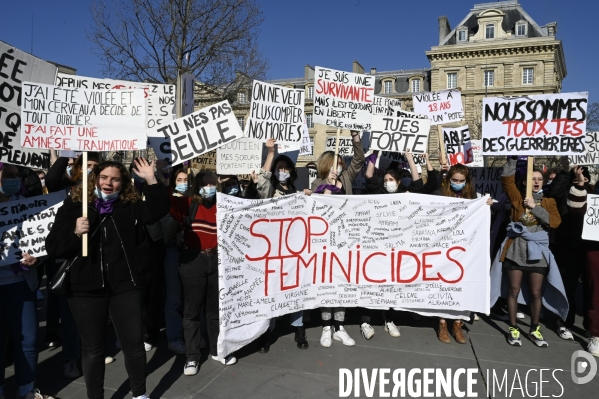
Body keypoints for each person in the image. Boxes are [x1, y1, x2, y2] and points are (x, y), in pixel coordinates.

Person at [45, 158, 170, 399]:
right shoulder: (74, 206)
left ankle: (140, 394)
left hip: (125, 287)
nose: (108, 183)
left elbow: (158, 210)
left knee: (133, 345)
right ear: (94, 179)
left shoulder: (129, 205)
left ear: (123, 183)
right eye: (103, 178)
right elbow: (54, 247)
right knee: (93, 350)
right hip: (85, 290)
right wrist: (74, 232)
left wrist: (152, 179)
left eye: (115, 179)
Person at [490, 157, 563, 348]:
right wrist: (512, 160)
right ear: (525, 181)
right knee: (513, 290)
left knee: (536, 292)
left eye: (539, 179)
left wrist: (535, 208)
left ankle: (534, 328)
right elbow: (506, 179)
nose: (536, 181)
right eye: (532, 178)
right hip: (516, 249)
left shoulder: (548, 201)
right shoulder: (517, 198)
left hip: (537, 252)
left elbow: (555, 222)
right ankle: (513, 328)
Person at [170, 170, 237, 376]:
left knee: (214, 310)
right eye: (205, 183)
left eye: (212, 183)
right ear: (197, 184)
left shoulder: (224, 203)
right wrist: (162, 177)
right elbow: (167, 203)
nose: (209, 187)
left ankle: (217, 349)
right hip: (193, 260)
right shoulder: (187, 202)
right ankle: (192, 356)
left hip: (216, 259)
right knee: (191, 311)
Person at [0, 163, 55, 399]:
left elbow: (41, 240)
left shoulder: (27, 205)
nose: (12, 180)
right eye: (6, 175)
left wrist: (36, 257)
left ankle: (27, 390)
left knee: (29, 340)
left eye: (14, 175)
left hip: (22, 284)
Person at [252, 138, 311, 352]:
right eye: (279, 169)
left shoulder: (297, 193)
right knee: (272, 290)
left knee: (296, 289)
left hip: (294, 251)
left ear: (292, 172)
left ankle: (298, 328)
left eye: (285, 168)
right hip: (273, 251)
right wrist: (270, 153)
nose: (282, 172)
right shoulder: (270, 192)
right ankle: (268, 330)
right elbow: (262, 181)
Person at [312, 131, 364, 347]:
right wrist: (325, 191)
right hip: (325, 242)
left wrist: (355, 139)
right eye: (335, 164)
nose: (339, 167)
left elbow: (359, 159)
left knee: (342, 283)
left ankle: (339, 327)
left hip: (346, 240)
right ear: (327, 165)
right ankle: (326, 325)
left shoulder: (346, 179)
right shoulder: (316, 184)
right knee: (327, 284)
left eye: (341, 164)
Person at [437, 164, 493, 344]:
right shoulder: (440, 195)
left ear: (467, 182)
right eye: (455, 180)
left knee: (463, 286)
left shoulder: (473, 198)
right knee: (444, 286)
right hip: (444, 249)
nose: (458, 184)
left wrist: (486, 206)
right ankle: (443, 323)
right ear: (448, 180)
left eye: (462, 181)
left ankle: (458, 324)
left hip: (465, 251)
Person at [552, 167, 592, 341]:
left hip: (591, 248)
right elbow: (554, 190)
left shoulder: (593, 198)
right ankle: (564, 321)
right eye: (575, 181)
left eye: (582, 180)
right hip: (569, 246)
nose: (579, 183)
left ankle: (590, 326)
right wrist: (565, 171)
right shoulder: (565, 197)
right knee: (568, 286)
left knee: (590, 289)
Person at [162, 168, 190, 355]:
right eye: (179, 179)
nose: (183, 183)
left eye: (186, 179)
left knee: (192, 297)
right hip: (173, 249)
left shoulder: (195, 199)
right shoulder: (169, 199)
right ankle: (174, 337)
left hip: (192, 251)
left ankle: (193, 335)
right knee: (174, 297)